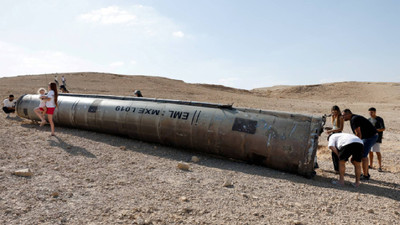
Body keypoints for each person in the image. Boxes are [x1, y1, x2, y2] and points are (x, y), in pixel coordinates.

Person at [342, 109, 378, 180]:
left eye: (343, 115)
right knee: (363, 155)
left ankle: (365, 175)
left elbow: (358, 133)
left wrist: (357, 145)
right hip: (370, 136)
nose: (342, 117)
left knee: (363, 156)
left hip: (370, 137)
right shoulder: (354, 118)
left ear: (348, 114)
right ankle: (366, 173)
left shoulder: (354, 119)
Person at [324, 105, 344, 173]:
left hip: (338, 135)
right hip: (334, 134)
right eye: (333, 112)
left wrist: (331, 131)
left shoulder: (340, 117)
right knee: (333, 153)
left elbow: (340, 129)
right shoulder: (333, 117)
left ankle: (338, 169)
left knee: (335, 152)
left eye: (335, 111)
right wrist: (329, 129)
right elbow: (335, 127)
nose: (334, 113)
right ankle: (337, 169)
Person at [368, 107, 385, 172]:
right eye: (369, 112)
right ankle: (371, 165)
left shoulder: (379, 119)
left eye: (371, 112)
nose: (370, 114)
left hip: (377, 137)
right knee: (370, 152)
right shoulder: (368, 119)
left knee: (377, 152)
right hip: (369, 137)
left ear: (375, 112)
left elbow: (383, 128)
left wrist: (375, 130)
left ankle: (380, 166)